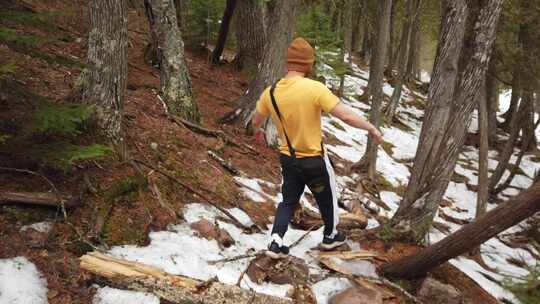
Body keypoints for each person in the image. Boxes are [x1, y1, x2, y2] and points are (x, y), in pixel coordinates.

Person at [251, 37, 383, 259]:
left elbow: (257, 118)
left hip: (288, 160)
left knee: (288, 201)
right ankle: (330, 236)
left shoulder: (270, 92)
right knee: (327, 197)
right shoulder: (315, 89)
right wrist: (370, 128)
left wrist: (258, 130)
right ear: (308, 64)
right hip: (314, 161)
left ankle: (275, 240)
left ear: (288, 63)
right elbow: (345, 115)